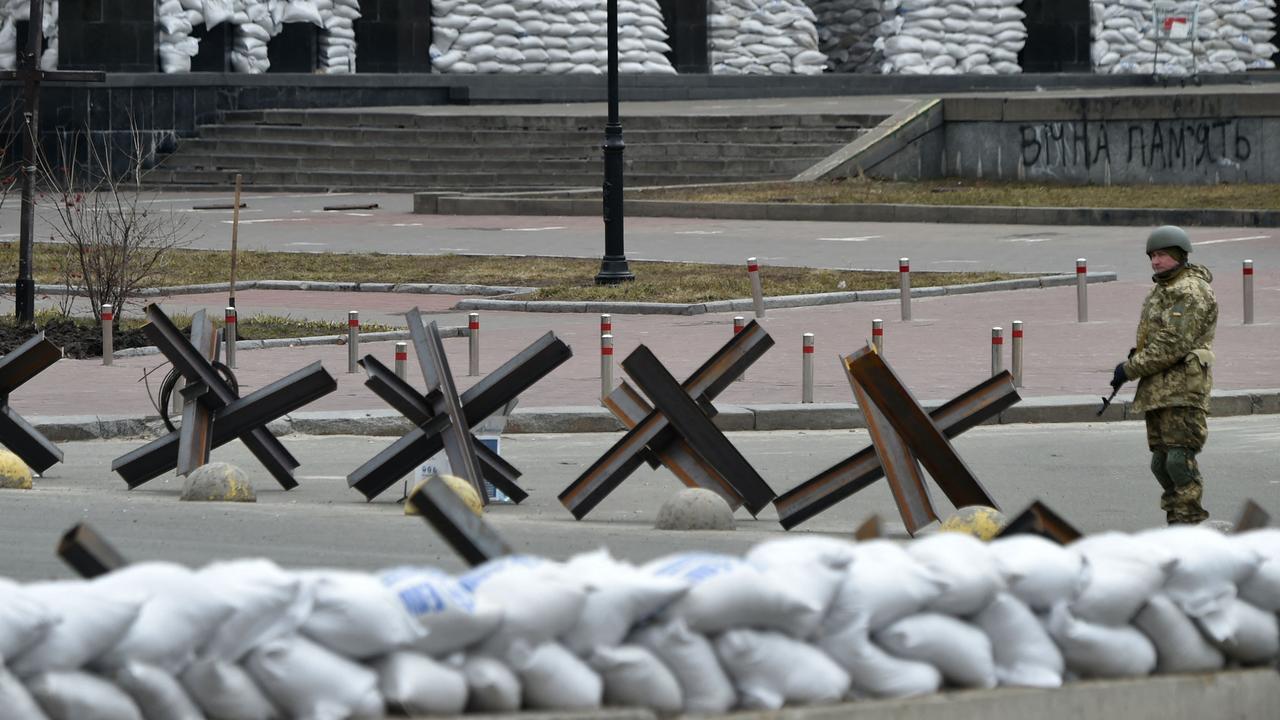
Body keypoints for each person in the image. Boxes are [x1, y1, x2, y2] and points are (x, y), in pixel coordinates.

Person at [1110, 225, 1217, 525]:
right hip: (1158, 390)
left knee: (1178, 460)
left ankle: (1189, 521)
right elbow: (1154, 338)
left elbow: (1173, 344)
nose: (1155, 262)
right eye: (1152, 256)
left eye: (1162, 255)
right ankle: (1176, 518)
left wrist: (1129, 369)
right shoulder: (1163, 288)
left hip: (1183, 389)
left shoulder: (1191, 290)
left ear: (1180, 255)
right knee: (1161, 463)